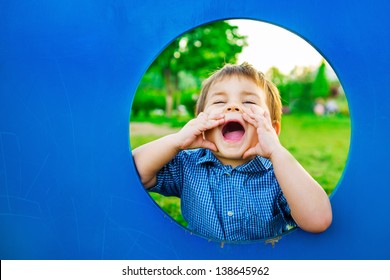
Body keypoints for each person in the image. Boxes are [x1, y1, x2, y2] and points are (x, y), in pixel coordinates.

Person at [132, 62, 332, 241]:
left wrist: (277, 152)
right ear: (201, 122)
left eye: (249, 102)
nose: (233, 106)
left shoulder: (281, 176)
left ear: (272, 130)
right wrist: (176, 141)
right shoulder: (186, 165)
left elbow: (318, 220)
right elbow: (133, 174)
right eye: (219, 102)